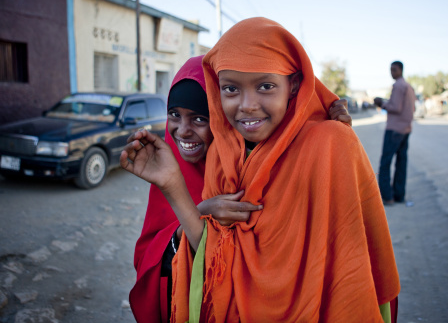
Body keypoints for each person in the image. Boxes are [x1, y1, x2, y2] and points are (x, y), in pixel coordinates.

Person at [122, 18, 399, 322]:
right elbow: (218, 261)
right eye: (174, 115)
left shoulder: (307, 148)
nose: (183, 131)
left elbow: (353, 261)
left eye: (201, 119)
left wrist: (324, 118)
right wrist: (183, 196)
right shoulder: (221, 165)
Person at [374, 61, 416, 206]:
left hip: (394, 129)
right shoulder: (408, 86)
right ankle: (399, 195)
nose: (392, 72)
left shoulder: (398, 85)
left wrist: (381, 104)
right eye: (390, 70)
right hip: (406, 129)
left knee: (385, 163)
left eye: (394, 70)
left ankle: (387, 197)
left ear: (400, 70)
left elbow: (396, 107)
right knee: (401, 163)